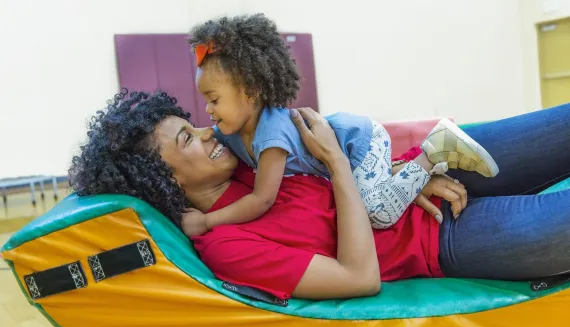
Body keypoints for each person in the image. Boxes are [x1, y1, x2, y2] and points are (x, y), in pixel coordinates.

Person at [69, 89, 570, 301]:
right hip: (440, 242)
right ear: (167, 181)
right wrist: (333, 160)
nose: (206, 132)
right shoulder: (227, 247)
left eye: (194, 125)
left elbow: (354, 156)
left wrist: (412, 173)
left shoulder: (247, 156)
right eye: (187, 140)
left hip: (428, 172)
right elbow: (359, 276)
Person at [183, 14, 499, 233]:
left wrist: (209, 222)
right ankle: (415, 170)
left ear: (250, 92)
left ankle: (434, 151)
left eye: (214, 99)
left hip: (358, 142)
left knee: (377, 214)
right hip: (352, 147)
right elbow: (201, 135)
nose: (208, 111)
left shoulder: (270, 136)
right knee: (373, 199)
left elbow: (261, 199)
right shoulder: (232, 130)